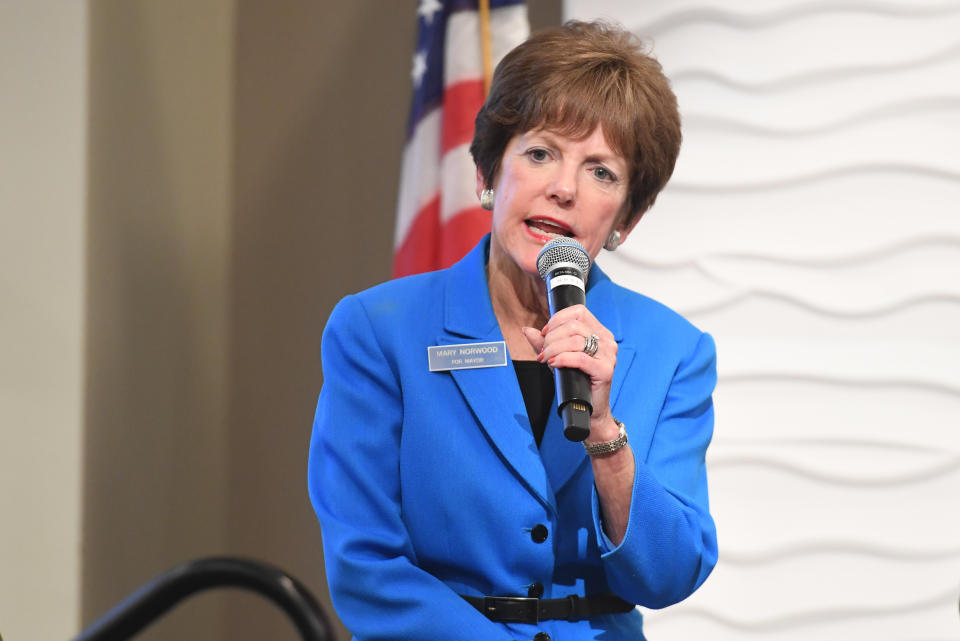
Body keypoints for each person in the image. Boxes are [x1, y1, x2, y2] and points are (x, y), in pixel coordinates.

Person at [308, 20, 717, 641]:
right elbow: (367, 569)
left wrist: (605, 434)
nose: (563, 188)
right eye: (540, 152)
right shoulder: (378, 332)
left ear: (625, 220)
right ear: (487, 174)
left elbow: (671, 573)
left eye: (601, 171)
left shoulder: (673, 350)